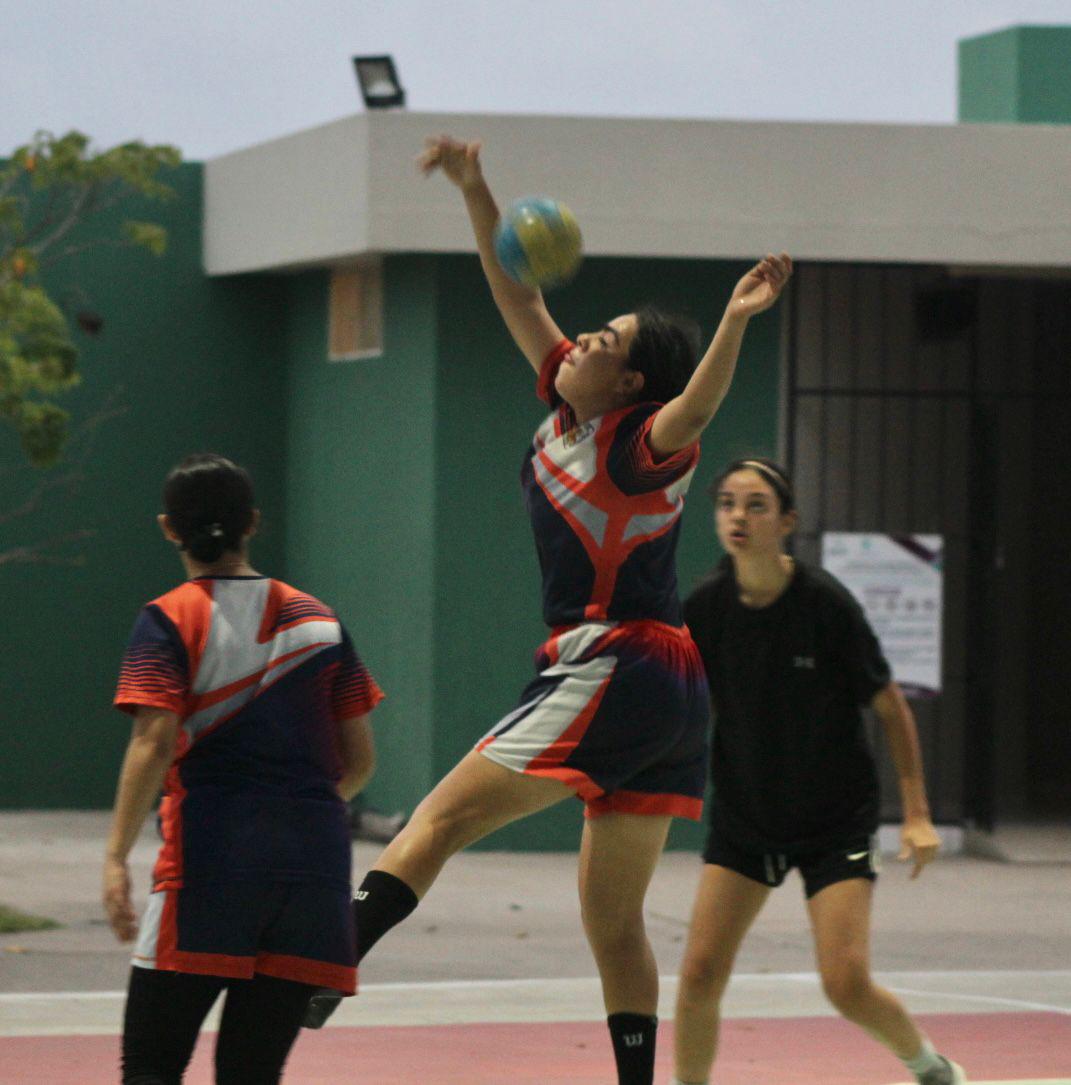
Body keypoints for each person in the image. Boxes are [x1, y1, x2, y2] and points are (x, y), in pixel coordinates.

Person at [302, 135, 791, 1085]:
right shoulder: (570, 397)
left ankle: (328, 962)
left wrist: (735, 318)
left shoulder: (636, 441)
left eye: (604, 343)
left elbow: (694, 406)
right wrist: (474, 187)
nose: (583, 342)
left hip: (622, 663)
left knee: (435, 821)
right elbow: (515, 289)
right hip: (668, 693)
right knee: (612, 924)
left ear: (629, 385)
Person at [671, 458, 965, 1085]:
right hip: (747, 817)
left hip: (834, 821)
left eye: (755, 505)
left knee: (845, 982)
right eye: (726, 503)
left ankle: (932, 1068)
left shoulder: (825, 605)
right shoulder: (704, 608)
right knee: (698, 973)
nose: (738, 517)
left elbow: (888, 706)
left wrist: (915, 814)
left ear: (787, 521)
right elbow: (694, 705)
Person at [103, 453, 383, 1084]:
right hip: (313, 878)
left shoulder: (169, 618)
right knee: (252, 1074)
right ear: (252, 522)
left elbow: (152, 743)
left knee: (150, 1068)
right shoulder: (320, 622)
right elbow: (360, 761)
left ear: (169, 529)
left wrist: (115, 855)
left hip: (210, 868)